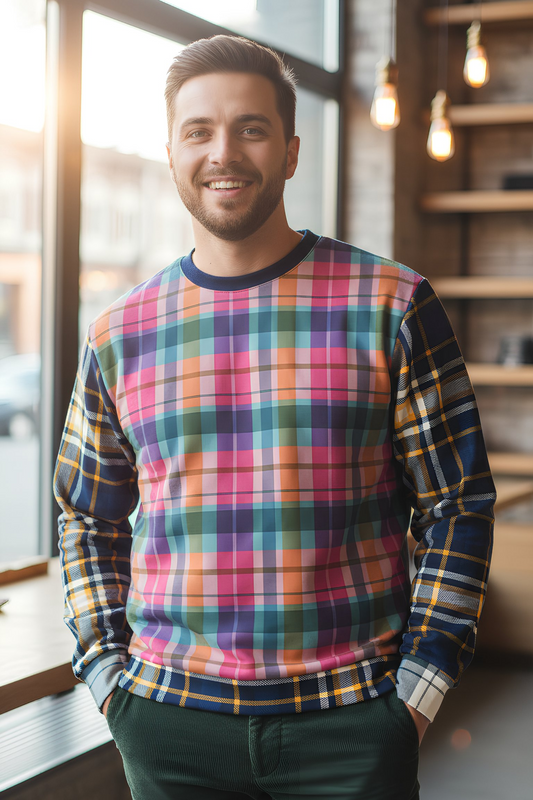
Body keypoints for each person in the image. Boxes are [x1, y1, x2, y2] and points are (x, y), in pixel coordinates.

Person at [54, 34, 495, 800]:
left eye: (250, 128)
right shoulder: (117, 333)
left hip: (351, 724)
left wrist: (416, 693)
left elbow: (457, 506)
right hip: (167, 725)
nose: (223, 151)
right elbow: (86, 521)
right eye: (199, 130)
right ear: (170, 152)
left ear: (290, 152)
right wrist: (108, 680)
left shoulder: (391, 304)